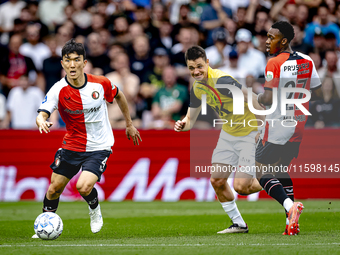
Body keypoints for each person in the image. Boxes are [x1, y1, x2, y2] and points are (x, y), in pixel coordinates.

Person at [32, 39, 141, 238]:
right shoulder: (58, 89)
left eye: (77, 60)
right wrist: (41, 120)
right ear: (63, 63)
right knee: (54, 189)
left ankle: (95, 210)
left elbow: (120, 96)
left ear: (84, 62)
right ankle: (44, 225)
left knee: (83, 186)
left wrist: (129, 124)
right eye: (68, 60)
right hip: (72, 145)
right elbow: (43, 112)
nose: (72, 65)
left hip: (99, 145)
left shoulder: (100, 83)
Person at [174, 45, 264, 234]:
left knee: (242, 187)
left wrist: (262, 126)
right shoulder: (197, 88)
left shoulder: (222, 80)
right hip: (228, 133)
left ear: (207, 63)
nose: (196, 71)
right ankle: (239, 224)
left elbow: (252, 97)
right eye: (191, 68)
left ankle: (272, 180)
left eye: (199, 66)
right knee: (217, 180)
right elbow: (190, 119)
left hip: (248, 131)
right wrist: (182, 125)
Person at [256, 21, 322, 235]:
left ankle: (290, 207)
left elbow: (267, 98)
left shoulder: (274, 63)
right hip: (298, 125)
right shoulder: (307, 60)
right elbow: (317, 91)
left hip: (277, 126)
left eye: (271, 38)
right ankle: (291, 222)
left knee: (261, 171)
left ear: (283, 41)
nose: (267, 42)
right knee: (280, 169)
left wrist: (258, 96)